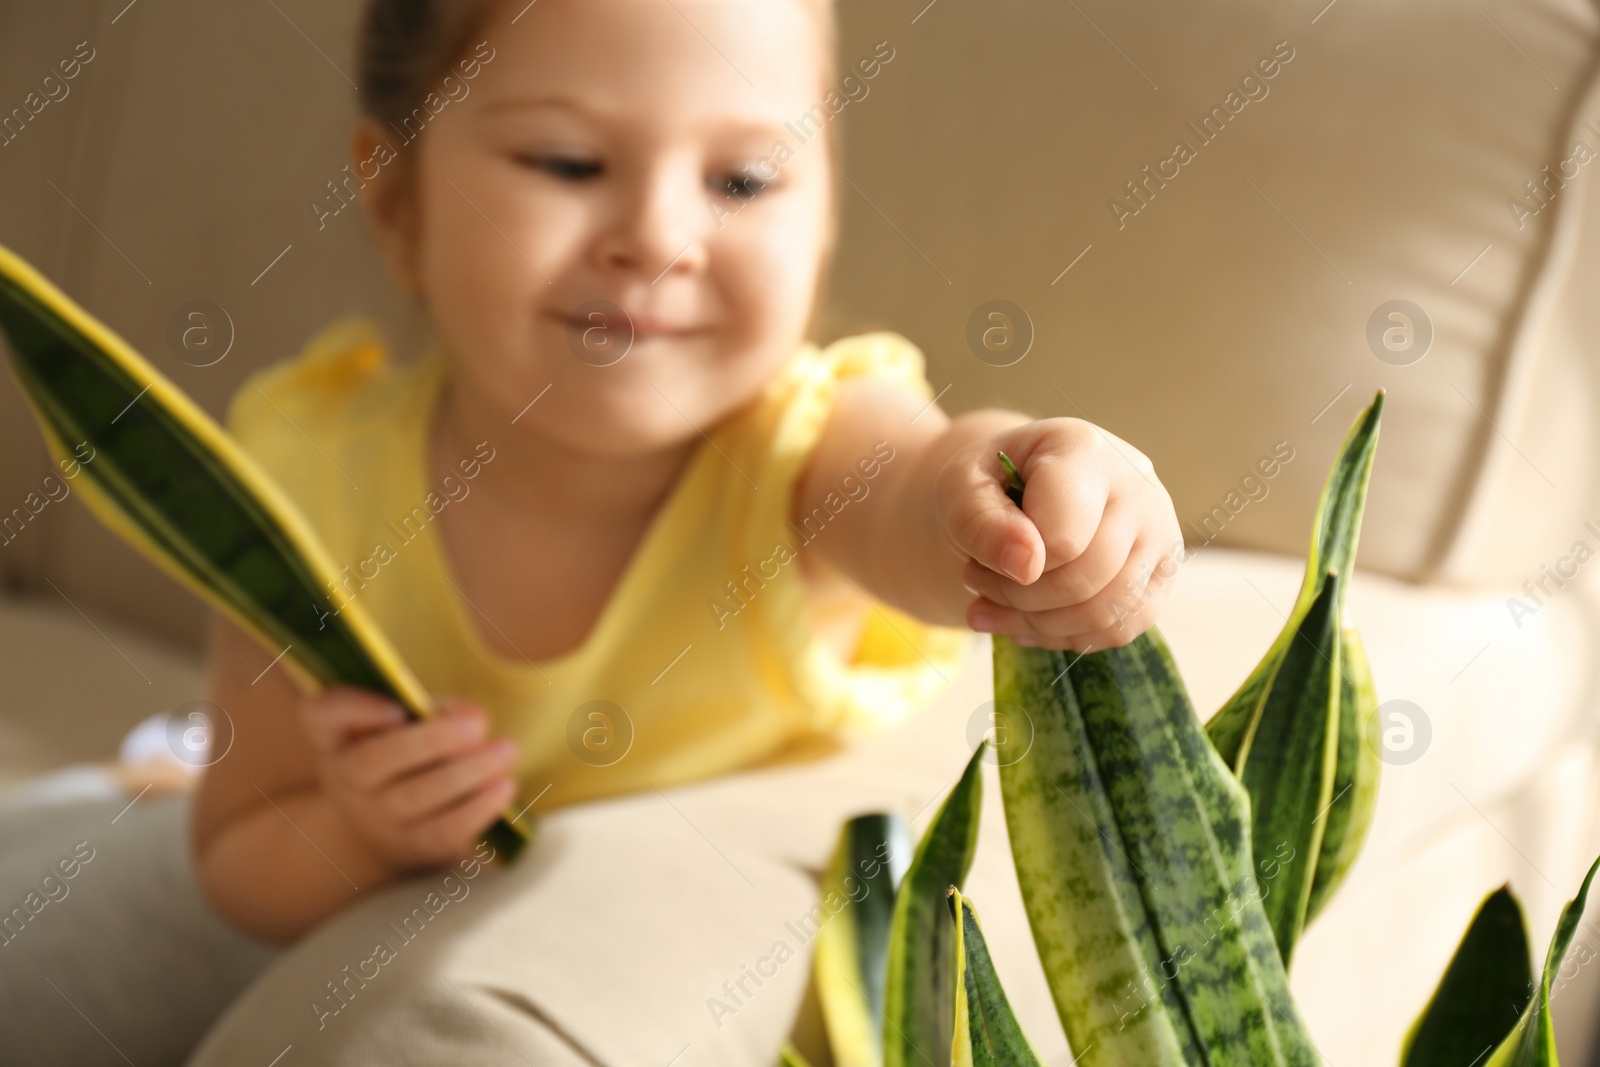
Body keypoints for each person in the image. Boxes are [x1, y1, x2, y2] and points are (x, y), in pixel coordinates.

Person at [0, 0, 1182, 1058]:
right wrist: (358, 830)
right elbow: (240, 853)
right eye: (568, 161)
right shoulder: (314, 468)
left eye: (744, 180)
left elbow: (918, 485)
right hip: (262, 887)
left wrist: (1033, 477)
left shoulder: (797, 455)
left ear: (825, 211)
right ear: (394, 200)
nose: (658, 234)